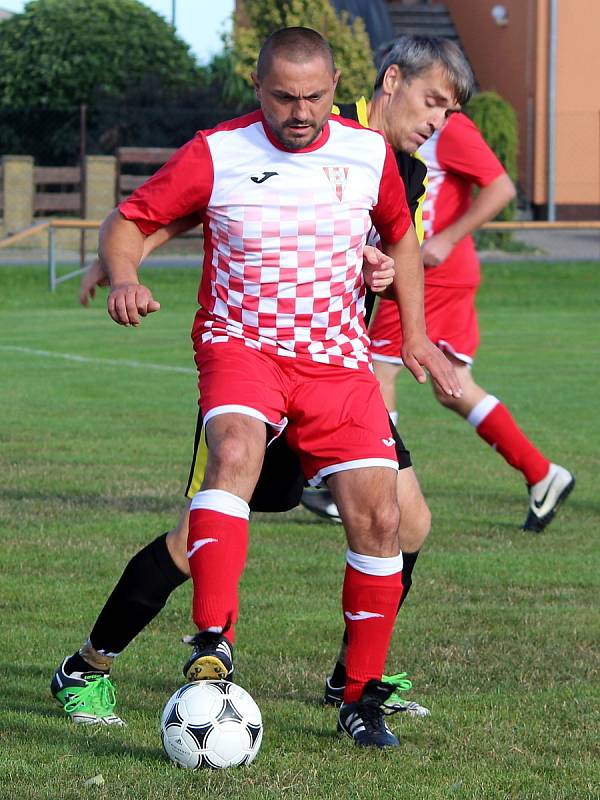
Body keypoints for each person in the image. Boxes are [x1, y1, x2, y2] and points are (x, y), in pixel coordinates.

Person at [51, 34, 472, 732]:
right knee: (201, 529)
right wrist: (123, 266)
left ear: (338, 84)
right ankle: (103, 662)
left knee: (397, 516)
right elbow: (163, 213)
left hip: (335, 367)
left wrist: (408, 318)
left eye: (313, 96)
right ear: (257, 86)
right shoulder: (227, 151)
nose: (300, 111)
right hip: (245, 358)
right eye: (283, 96)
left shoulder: (381, 161)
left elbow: (396, 239)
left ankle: (355, 688)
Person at [367, 110, 575, 533]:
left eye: (443, 98)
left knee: (376, 369)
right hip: (423, 271)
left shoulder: (450, 127)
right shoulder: (396, 125)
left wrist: (447, 236)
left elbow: (501, 188)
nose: (436, 108)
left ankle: (374, 487)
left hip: (431, 274)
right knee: (453, 384)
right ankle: (541, 473)